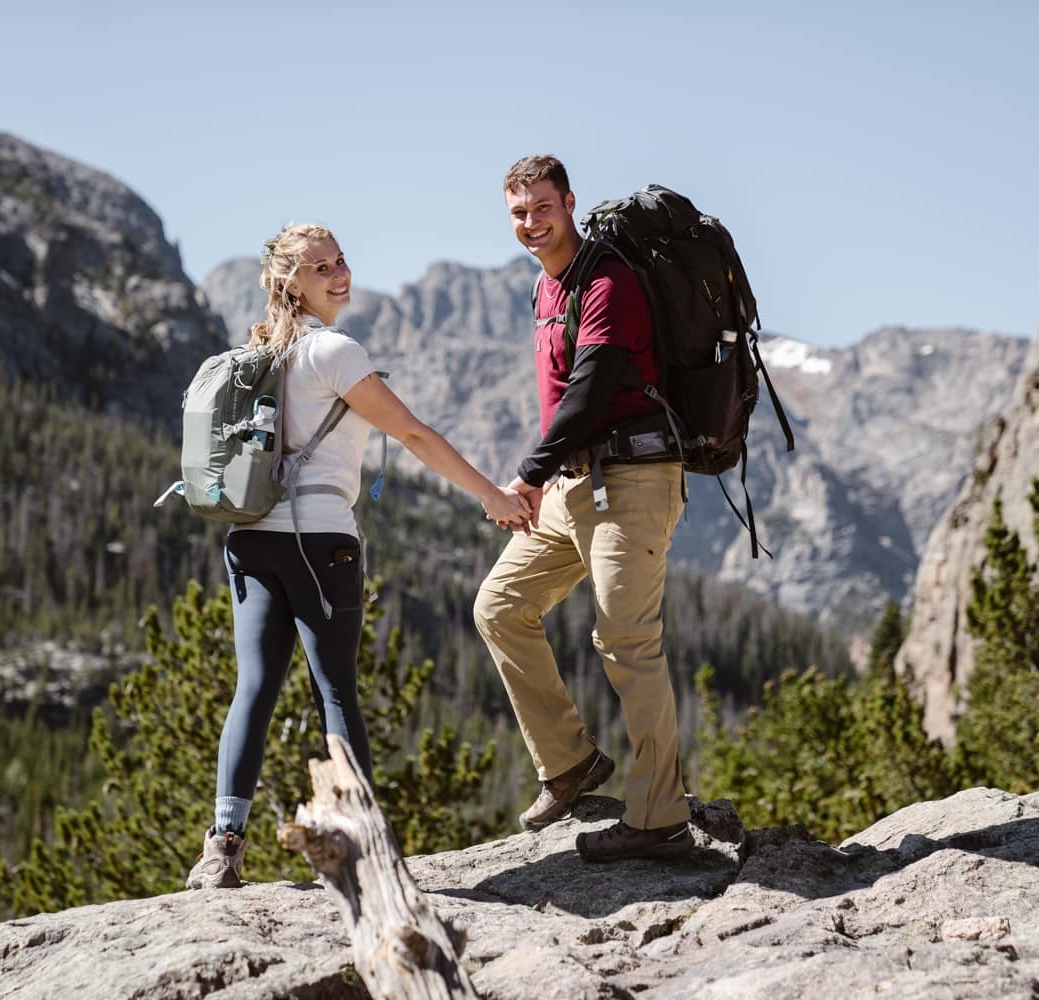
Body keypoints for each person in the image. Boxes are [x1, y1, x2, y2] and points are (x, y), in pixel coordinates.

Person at [187, 223, 530, 889]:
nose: (339, 274)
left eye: (340, 261)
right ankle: (364, 847)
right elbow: (410, 433)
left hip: (250, 538)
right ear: (292, 283)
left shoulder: (253, 356)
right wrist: (492, 495)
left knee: (254, 688)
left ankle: (223, 844)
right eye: (321, 268)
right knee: (334, 687)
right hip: (321, 541)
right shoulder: (335, 352)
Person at [473, 154, 692, 862]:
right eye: (518, 213)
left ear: (569, 202)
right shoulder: (545, 287)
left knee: (626, 643)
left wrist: (525, 476)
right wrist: (549, 476)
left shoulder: (608, 281)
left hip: (632, 480)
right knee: (499, 607)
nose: (531, 223)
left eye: (542, 208)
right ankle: (569, 765)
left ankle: (660, 816)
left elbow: (590, 393)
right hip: (575, 485)